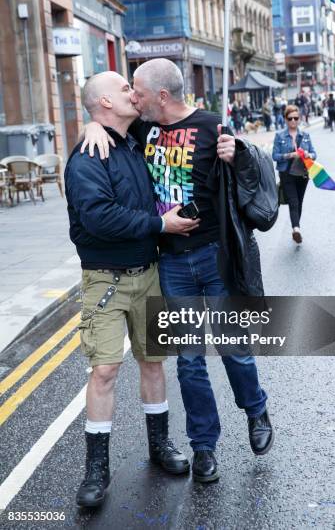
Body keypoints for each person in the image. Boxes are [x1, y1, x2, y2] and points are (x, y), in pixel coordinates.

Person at [81, 59, 273, 484]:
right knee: (188, 361)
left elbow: (251, 181)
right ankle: (204, 447)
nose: (133, 96)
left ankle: (256, 409)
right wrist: (89, 127)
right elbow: (102, 116)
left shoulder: (211, 126)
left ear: (160, 96)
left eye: (138, 90)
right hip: (171, 261)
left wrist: (238, 152)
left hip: (214, 254)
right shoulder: (143, 128)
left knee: (232, 348)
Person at [65, 71, 199, 508]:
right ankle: (96, 469)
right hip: (105, 280)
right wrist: (160, 224)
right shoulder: (88, 156)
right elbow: (99, 219)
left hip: (149, 273)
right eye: (124, 89)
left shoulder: (134, 138)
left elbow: (177, 116)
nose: (132, 93)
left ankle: (159, 446)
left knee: (153, 362)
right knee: (104, 371)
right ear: (104, 102)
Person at [272, 105, 316, 244]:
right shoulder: (279, 136)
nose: (293, 121)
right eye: (290, 118)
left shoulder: (306, 136)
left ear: (299, 119)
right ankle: (296, 229)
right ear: (285, 119)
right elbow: (275, 156)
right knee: (293, 201)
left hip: (303, 173)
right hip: (286, 173)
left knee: (299, 201)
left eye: (296, 118)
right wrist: (290, 155)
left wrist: (309, 154)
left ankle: (297, 226)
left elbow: (315, 154)